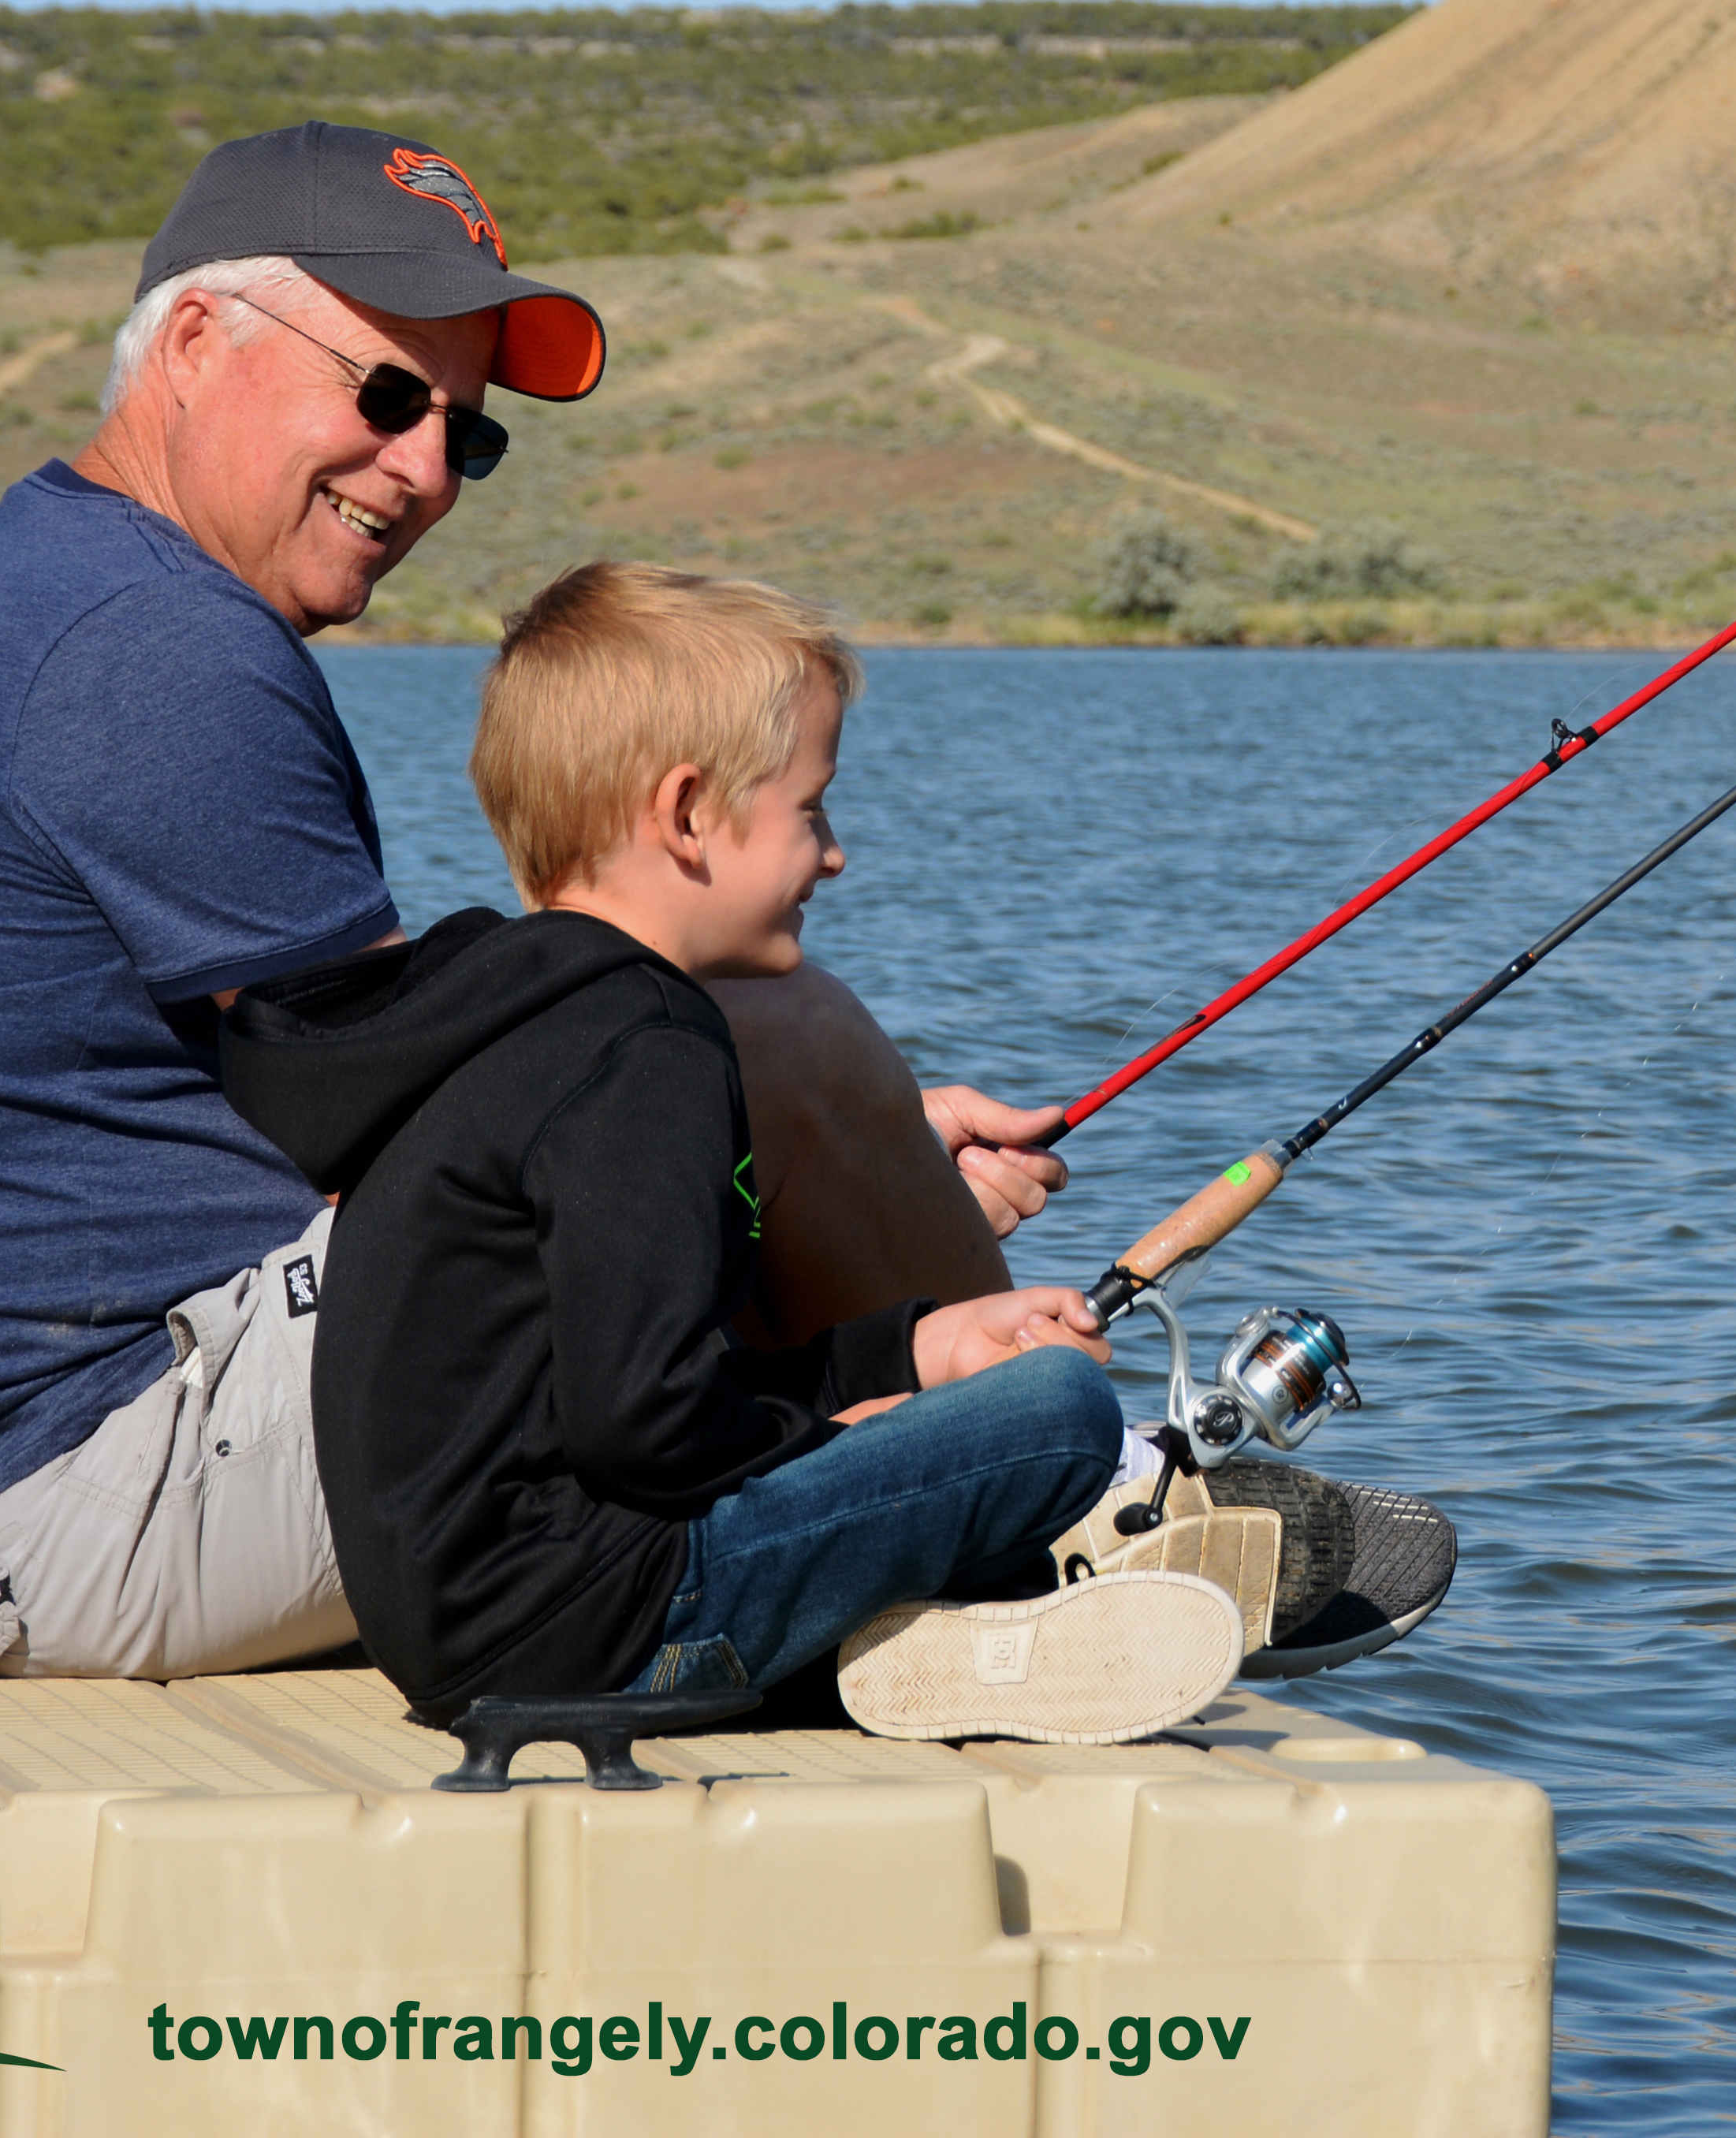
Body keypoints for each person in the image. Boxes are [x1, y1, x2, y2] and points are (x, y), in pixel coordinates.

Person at [0, 122, 1071, 1680]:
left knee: (674, 1048)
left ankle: (936, 1509)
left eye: (470, 431)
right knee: (751, 1020)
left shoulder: (76, 585)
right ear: (191, 342)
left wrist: (839, 1182)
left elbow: (442, 1121)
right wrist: (814, 1161)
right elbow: (434, 1136)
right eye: (384, 395)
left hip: (45, 1482)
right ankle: (1046, 1523)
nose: (429, 469)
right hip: (69, 1498)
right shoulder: (156, 648)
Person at [217, 562, 1243, 1738]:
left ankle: (931, 1638)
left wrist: (915, 1350)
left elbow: (617, 1388)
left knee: (980, 1397)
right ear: (690, 813)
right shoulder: (646, 1048)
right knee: (1061, 1413)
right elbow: (647, 1423)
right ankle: (961, 1631)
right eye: (814, 808)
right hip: (608, 1627)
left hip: (470, 1638)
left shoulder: (507, 1019)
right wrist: (833, 1439)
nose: (837, 853)